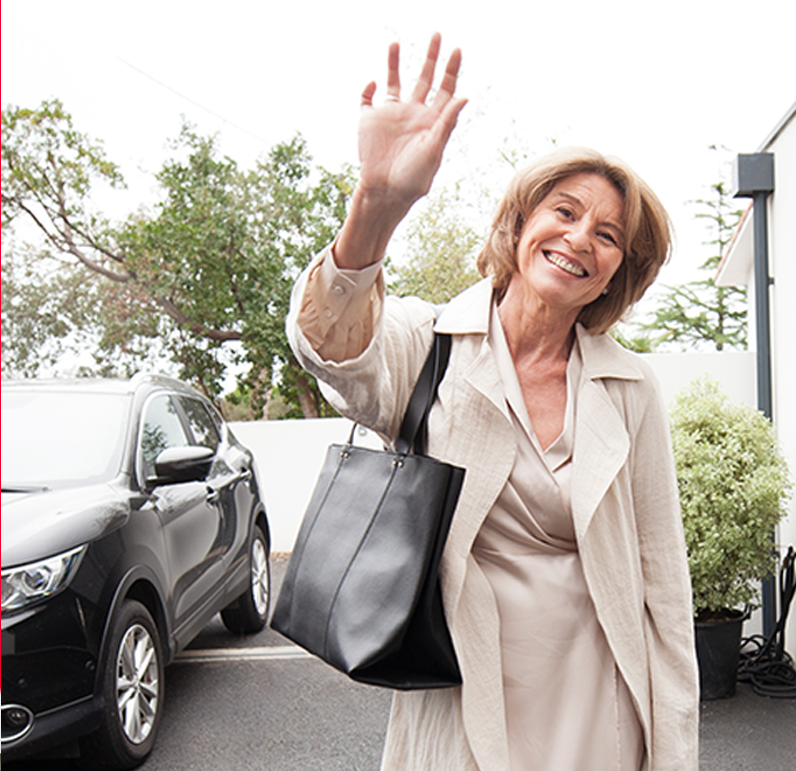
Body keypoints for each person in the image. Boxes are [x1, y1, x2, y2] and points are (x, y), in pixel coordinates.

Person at [286, 33, 699, 771]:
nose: (580, 239)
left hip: (598, 706)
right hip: (460, 693)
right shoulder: (428, 344)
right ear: (520, 223)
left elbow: (663, 583)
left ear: (614, 276)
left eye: (607, 236)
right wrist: (376, 206)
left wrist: (674, 750)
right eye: (565, 212)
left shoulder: (631, 388)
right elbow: (332, 347)